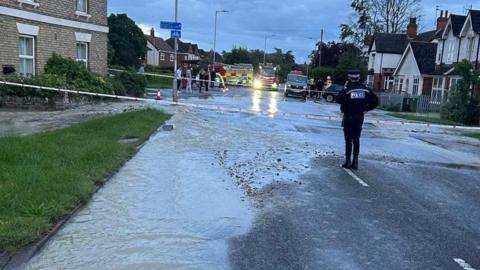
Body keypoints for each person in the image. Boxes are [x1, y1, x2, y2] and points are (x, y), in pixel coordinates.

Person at [336, 70, 378, 170]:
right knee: (356, 139)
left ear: (349, 78)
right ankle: (355, 162)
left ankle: (347, 161)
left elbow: (338, 99)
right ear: (359, 78)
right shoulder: (366, 90)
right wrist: (367, 109)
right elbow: (375, 101)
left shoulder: (348, 90)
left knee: (348, 140)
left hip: (348, 116)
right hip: (359, 117)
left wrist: (344, 88)